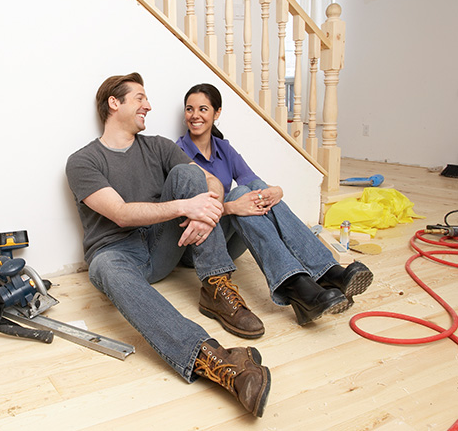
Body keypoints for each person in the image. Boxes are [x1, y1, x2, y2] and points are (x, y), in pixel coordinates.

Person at [65, 73, 271, 417]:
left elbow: (208, 182)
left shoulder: (160, 145)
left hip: (164, 245)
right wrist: (185, 207)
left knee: (190, 175)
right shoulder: (83, 161)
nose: (148, 105)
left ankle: (217, 287)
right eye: (140, 98)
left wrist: (203, 208)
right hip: (119, 253)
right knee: (102, 267)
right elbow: (120, 214)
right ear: (114, 103)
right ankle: (215, 360)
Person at [176, 83, 373, 328]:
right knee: (239, 193)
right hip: (199, 247)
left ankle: (324, 274)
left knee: (254, 186)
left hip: (231, 237)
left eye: (202, 109)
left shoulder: (224, 149)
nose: (194, 115)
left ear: (217, 113)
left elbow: (252, 182)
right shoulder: (178, 151)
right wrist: (233, 207)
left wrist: (275, 192)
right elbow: (184, 211)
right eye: (189, 109)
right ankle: (308, 280)